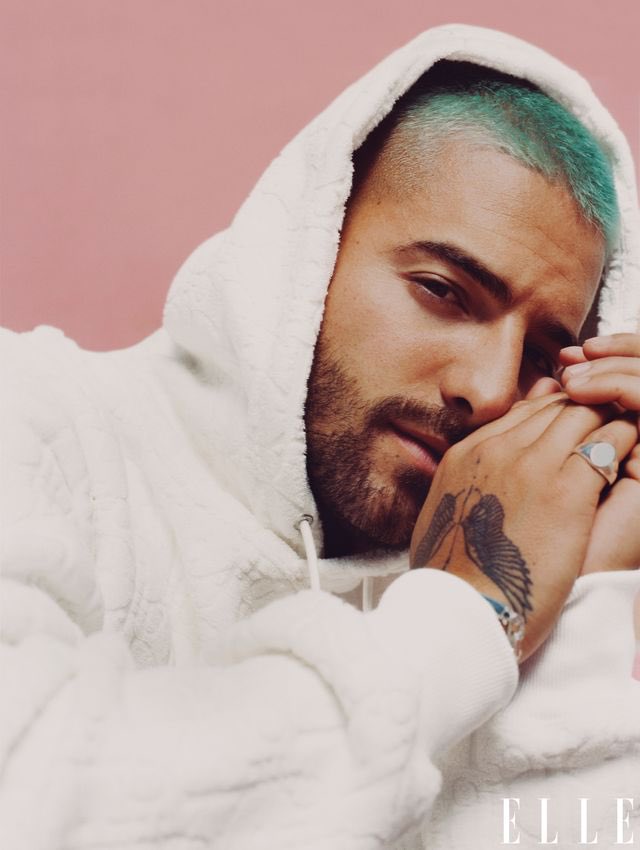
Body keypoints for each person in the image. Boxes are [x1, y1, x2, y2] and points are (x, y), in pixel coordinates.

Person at [1, 22, 639, 850]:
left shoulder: (475, 559)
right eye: (443, 290)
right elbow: (35, 800)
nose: (489, 390)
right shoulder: (30, 414)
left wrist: (570, 605)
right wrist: (466, 614)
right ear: (307, 249)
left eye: (546, 357)